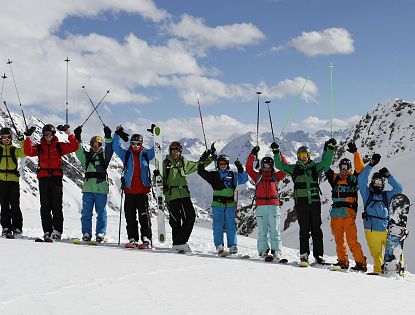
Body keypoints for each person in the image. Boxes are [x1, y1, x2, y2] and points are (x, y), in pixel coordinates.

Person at [272, 138, 336, 265]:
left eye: (305, 155)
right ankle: (304, 255)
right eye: (301, 155)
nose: (304, 157)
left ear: (309, 155)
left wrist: (330, 149)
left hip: (315, 202)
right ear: (298, 156)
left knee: (316, 230)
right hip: (301, 204)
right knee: (304, 230)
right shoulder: (294, 168)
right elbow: (279, 165)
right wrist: (276, 152)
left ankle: (319, 256)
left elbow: (327, 162)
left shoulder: (315, 167)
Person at [24, 124, 78, 241]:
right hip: (43, 179)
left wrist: (69, 133)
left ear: (54, 134)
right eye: (45, 134)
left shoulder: (59, 146)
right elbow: (28, 151)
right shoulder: (39, 147)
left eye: (50, 134)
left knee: (56, 206)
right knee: (45, 207)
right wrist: (27, 138)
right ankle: (47, 231)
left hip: (56, 179)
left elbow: (74, 147)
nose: (48, 136)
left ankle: (57, 231)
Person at [163, 141, 213, 253]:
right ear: (170, 151)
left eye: (177, 151)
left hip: (184, 194)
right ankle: (178, 244)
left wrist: (210, 157)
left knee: (190, 216)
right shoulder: (165, 163)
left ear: (180, 152)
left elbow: (197, 166)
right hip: (171, 195)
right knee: (175, 221)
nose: (175, 153)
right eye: (173, 150)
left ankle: (179, 242)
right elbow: (158, 179)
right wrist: (157, 177)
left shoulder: (183, 162)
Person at [325, 142, 367, 271]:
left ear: (349, 168)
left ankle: (360, 263)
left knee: (352, 240)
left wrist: (355, 153)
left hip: (348, 213)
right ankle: (343, 261)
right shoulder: (335, 179)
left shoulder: (354, 178)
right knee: (339, 240)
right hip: (336, 213)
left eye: (346, 168)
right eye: (342, 169)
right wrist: (328, 150)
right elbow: (325, 166)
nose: (344, 171)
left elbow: (361, 169)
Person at [198, 148, 248, 255]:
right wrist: (204, 158)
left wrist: (240, 169)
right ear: (217, 164)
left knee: (231, 226)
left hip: (230, 204)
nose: (222, 165)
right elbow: (200, 171)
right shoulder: (213, 175)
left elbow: (244, 179)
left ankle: (233, 246)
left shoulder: (233, 174)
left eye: (224, 163)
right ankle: (219, 245)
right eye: (220, 163)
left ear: (227, 164)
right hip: (217, 204)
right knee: (218, 225)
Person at [358, 153, 402, 274]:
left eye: (380, 182)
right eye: (375, 181)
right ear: (372, 182)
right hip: (371, 230)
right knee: (376, 254)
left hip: (385, 229)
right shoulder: (367, 194)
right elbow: (361, 180)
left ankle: (398, 269)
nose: (378, 184)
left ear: (383, 183)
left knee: (393, 250)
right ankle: (378, 271)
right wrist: (371, 165)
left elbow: (399, 189)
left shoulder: (386, 195)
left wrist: (389, 176)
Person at [113, 125, 154, 248]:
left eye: (137, 143)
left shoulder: (146, 154)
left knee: (144, 217)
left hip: (142, 192)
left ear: (141, 144)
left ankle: (146, 238)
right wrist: (117, 134)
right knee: (130, 217)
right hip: (129, 191)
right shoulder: (126, 154)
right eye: (133, 143)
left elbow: (158, 149)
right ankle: (133, 238)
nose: (135, 145)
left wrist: (156, 135)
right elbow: (115, 147)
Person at [73, 125, 114, 243]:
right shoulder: (86, 156)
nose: (95, 146)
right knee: (86, 213)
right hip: (88, 190)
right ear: (90, 145)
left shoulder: (104, 156)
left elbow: (110, 150)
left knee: (101, 213)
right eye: (93, 144)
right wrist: (77, 138)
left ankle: (100, 233)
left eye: (98, 144)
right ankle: (86, 233)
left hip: (101, 189)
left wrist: (108, 137)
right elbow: (78, 151)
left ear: (101, 146)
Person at [246, 146, 287, 259]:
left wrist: (278, 153)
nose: (266, 167)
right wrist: (253, 154)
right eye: (265, 165)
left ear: (272, 166)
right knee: (262, 231)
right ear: (262, 165)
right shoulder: (257, 176)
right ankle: (263, 251)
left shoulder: (276, 176)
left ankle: (276, 251)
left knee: (275, 230)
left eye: (269, 165)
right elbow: (249, 168)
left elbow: (284, 168)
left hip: (273, 206)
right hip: (261, 206)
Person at [0, 127, 26, 238]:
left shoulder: (14, 150)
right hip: (1, 181)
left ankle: (17, 228)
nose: (6, 139)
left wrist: (22, 140)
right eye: (3, 137)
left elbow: (25, 152)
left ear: (11, 138)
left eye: (8, 137)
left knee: (15, 206)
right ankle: (6, 228)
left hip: (13, 181)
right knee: (4, 206)